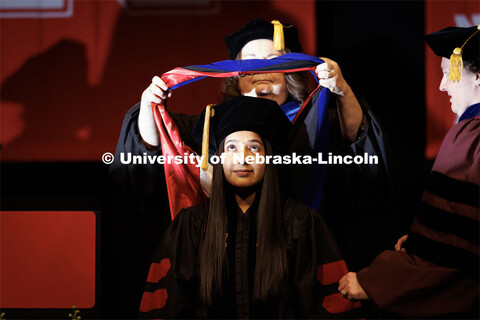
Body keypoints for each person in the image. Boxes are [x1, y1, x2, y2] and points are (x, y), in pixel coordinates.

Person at [110, 18, 397, 271]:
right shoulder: (209, 125)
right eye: (250, 63)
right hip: (220, 263)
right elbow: (151, 154)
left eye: (274, 60)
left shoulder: (317, 126)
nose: (261, 70)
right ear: (235, 74)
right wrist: (150, 104)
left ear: (292, 71)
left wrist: (342, 90)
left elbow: (359, 146)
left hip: (302, 261)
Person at [138, 96, 361, 318]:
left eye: (254, 148)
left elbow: (328, 307)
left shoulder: (299, 223)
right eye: (231, 148)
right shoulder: (192, 225)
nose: (242, 158)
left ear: (268, 158)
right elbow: (167, 309)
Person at [338, 25, 480, 318]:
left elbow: (457, 253)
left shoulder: (472, 138)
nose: (442, 86)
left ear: (477, 77)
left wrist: (380, 281)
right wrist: (419, 242)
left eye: (448, 73)